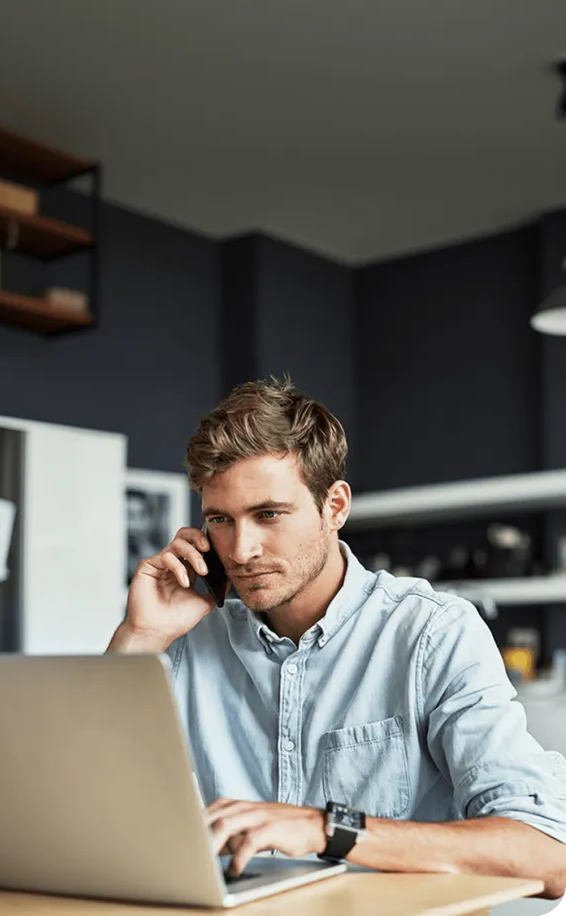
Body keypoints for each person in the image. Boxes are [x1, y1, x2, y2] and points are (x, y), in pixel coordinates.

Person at [107, 378, 566, 899]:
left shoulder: (433, 634)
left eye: (268, 514)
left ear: (335, 507)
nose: (241, 550)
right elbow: (73, 803)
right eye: (220, 520)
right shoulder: (186, 642)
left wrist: (327, 828)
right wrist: (140, 636)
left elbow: (547, 855)